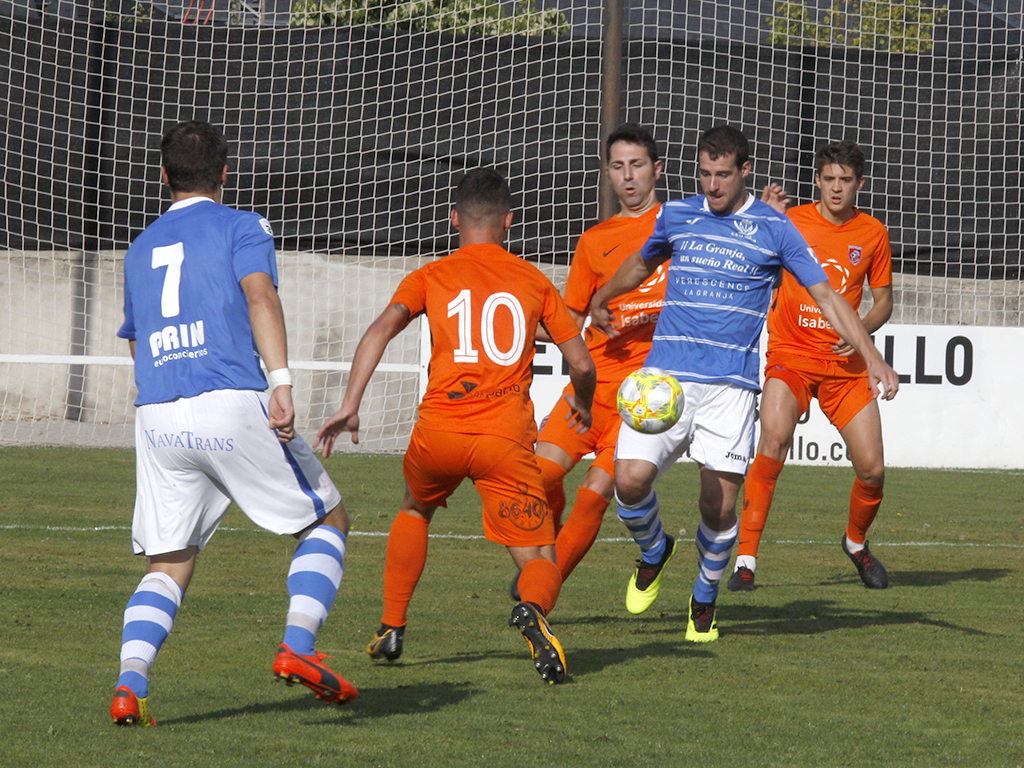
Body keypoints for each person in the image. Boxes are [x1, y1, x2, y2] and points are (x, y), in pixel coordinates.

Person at [589, 125, 899, 643]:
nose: (712, 186)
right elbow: (643, 260)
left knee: (720, 506)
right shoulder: (678, 215)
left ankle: (705, 597)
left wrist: (872, 356)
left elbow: (827, 296)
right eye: (705, 174)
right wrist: (604, 295)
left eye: (723, 175)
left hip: (730, 389)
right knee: (628, 482)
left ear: (745, 171)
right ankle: (653, 550)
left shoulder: (774, 230)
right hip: (664, 379)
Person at [110, 120, 356, 726]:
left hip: (158, 413)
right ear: (225, 173)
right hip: (227, 397)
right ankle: (298, 647)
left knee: (168, 562)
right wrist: (281, 383)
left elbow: (138, 344)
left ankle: (129, 685)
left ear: (163, 176)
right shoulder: (241, 225)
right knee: (327, 518)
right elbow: (260, 297)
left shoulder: (139, 248)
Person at [317, 168, 596, 685]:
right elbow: (581, 364)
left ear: (453, 220)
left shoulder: (431, 275)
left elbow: (380, 329)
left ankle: (392, 627)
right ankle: (532, 611)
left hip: (438, 433)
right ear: (509, 222)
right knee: (537, 554)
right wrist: (582, 402)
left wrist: (351, 403)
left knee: (415, 508)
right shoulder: (534, 280)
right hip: (502, 439)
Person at [728, 141, 894, 592]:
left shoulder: (873, 233)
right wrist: (759, 217)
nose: (836, 188)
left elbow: (884, 302)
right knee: (775, 438)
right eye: (829, 179)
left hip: (846, 367)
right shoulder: (791, 222)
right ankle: (745, 561)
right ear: (817, 181)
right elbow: (741, 252)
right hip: (791, 357)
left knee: (873, 470)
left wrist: (859, 328)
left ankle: (855, 544)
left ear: (860, 184)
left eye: (845, 180)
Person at [524, 123, 667, 592]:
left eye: (638, 165)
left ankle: (543, 593)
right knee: (539, 477)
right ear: (608, 174)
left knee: (596, 494)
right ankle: (550, 550)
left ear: (657, 171)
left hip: (643, 398)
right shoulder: (594, 240)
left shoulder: (681, 228)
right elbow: (571, 317)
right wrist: (521, 328)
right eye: (618, 166)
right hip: (591, 388)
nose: (629, 176)